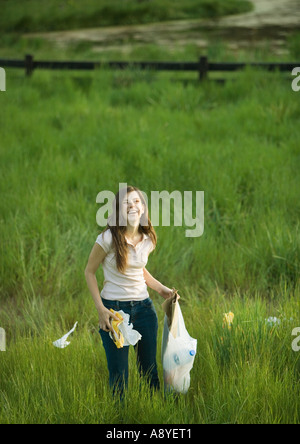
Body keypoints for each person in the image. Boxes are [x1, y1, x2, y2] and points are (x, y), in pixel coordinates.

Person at [84, 185, 173, 397]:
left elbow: (138, 269)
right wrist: (101, 310)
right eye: (126, 203)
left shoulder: (148, 238)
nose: (132, 206)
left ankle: (155, 414)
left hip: (144, 309)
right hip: (114, 312)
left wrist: (161, 289)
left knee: (149, 372)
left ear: (143, 208)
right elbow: (89, 272)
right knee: (119, 378)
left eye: (137, 202)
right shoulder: (107, 239)